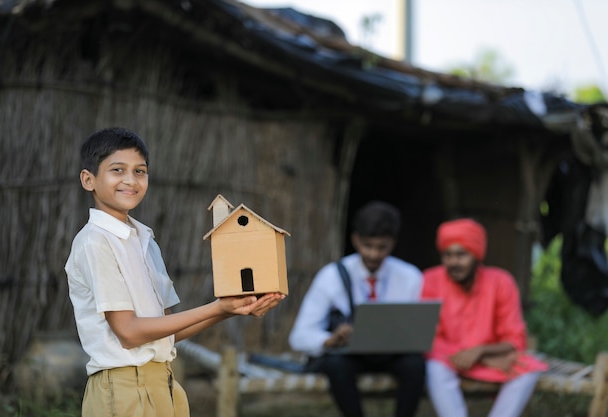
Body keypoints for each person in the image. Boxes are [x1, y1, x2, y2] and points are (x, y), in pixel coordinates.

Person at [65, 127, 285, 417]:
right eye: (117, 170)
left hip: (164, 383)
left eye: (140, 171)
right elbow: (129, 333)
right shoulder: (95, 242)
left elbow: (166, 332)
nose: (130, 180)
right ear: (88, 180)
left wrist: (231, 309)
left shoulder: (145, 241)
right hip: (123, 390)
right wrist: (215, 307)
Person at [289, 201, 425, 417]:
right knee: (336, 365)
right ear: (355, 240)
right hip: (350, 357)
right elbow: (299, 337)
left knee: (415, 365)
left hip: (392, 356)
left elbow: (419, 332)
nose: (373, 254)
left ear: (393, 243)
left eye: (382, 247)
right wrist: (329, 340)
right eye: (367, 246)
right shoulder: (331, 276)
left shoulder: (410, 277)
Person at [421, 218, 548, 417]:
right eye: (448, 255)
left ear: (477, 254)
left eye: (461, 254)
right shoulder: (429, 280)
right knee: (434, 367)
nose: (454, 262)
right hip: (446, 359)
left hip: (491, 358)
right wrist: (481, 359)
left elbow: (514, 338)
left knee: (529, 370)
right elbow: (427, 338)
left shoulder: (501, 282)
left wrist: (480, 353)